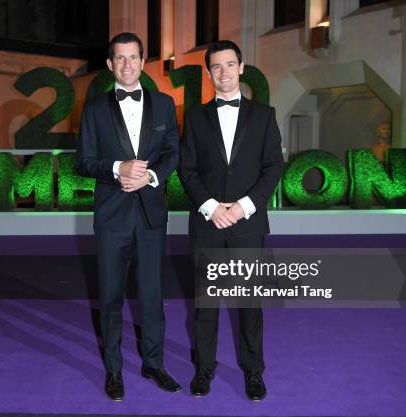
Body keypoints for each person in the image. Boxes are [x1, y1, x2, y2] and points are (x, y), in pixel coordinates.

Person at [75, 32, 181, 401]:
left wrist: (151, 176)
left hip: (152, 215)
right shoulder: (93, 109)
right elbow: (83, 162)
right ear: (109, 64)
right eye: (119, 58)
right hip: (111, 217)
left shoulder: (165, 105)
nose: (127, 64)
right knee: (111, 297)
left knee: (152, 295)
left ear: (142, 60)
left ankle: (154, 363)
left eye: (133, 57)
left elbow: (172, 155)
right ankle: (114, 369)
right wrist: (118, 167)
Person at [178, 40, 284, 401]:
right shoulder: (193, 117)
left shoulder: (265, 115)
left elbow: (273, 167)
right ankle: (204, 367)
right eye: (215, 67)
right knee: (205, 303)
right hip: (207, 223)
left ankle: (254, 371)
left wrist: (243, 207)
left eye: (229, 65)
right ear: (208, 74)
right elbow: (186, 169)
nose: (223, 72)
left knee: (249, 304)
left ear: (241, 68)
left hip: (247, 223)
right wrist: (211, 207)